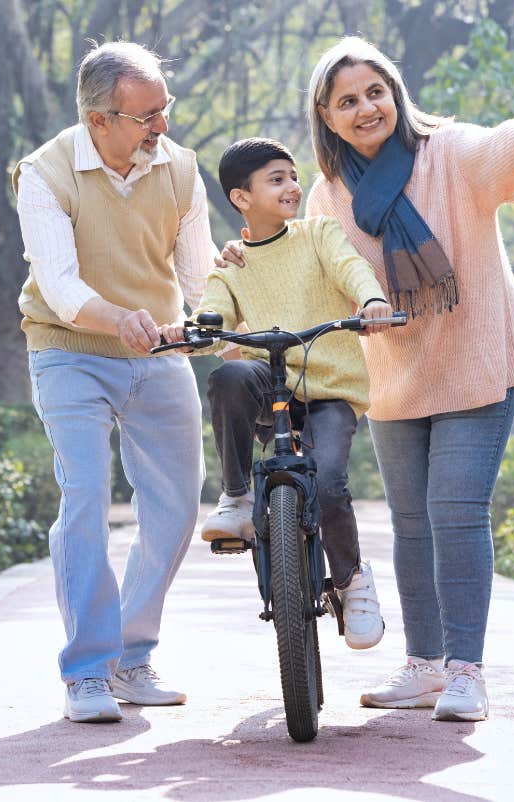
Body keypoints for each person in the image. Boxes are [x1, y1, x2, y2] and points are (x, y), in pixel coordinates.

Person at [221, 37, 514, 720]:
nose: (366, 107)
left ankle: (466, 673)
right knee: (410, 522)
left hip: (477, 356)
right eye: (348, 101)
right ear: (327, 117)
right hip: (394, 371)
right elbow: (298, 262)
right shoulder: (327, 194)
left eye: (375, 91)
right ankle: (423, 665)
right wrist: (239, 256)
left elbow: (505, 150)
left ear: (395, 92)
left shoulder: (448, 153)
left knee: (455, 512)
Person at [12, 41, 217, 723]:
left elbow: (198, 277)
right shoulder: (45, 174)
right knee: (86, 499)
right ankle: (87, 672)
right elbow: (61, 287)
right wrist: (116, 318)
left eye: (164, 109)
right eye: (145, 116)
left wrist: (226, 301)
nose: (160, 125)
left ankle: (132, 656)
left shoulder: (180, 170)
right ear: (100, 120)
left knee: (178, 509)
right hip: (70, 351)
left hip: (158, 350)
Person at [161, 136, 393, 650]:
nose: (292, 187)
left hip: (331, 390)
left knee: (329, 483)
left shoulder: (318, 234)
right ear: (241, 198)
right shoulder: (232, 263)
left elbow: (350, 268)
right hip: (273, 389)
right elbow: (212, 316)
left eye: (293, 176)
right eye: (276, 180)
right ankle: (237, 498)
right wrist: (188, 332)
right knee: (229, 375)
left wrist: (371, 298)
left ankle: (352, 583)